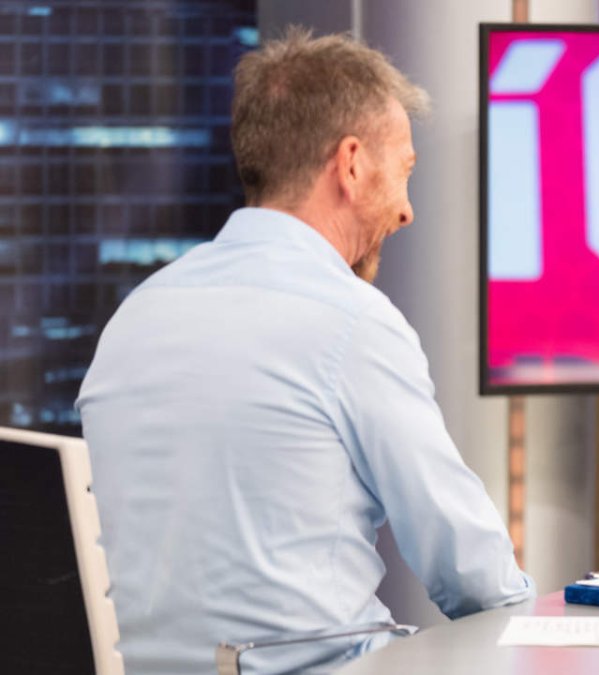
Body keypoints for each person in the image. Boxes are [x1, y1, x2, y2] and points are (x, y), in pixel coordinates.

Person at [77, 29, 533, 674]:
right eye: (404, 172)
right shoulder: (349, 321)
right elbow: (472, 575)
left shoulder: (133, 316)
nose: (406, 212)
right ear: (350, 164)